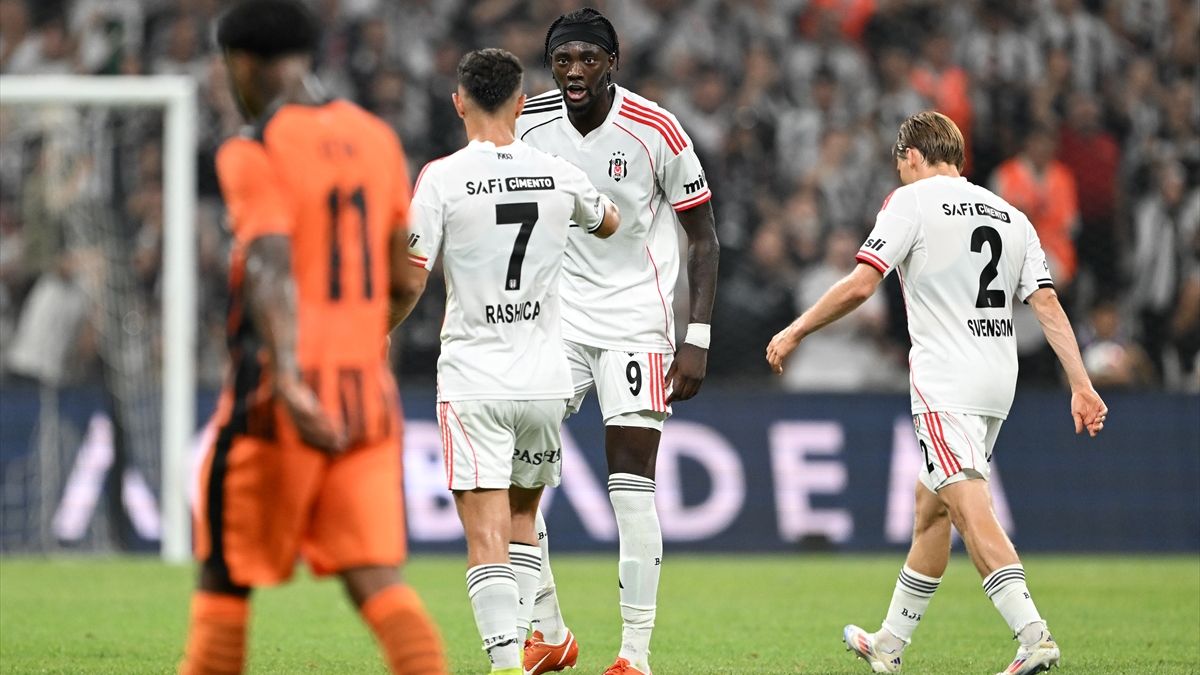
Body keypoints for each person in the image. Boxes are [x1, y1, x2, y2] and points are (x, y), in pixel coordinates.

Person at [766, 111, 1107, 675]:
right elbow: (1046, 302)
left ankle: (1034, 636)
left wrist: (796, 329)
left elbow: (862, 284)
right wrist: (1081, 383)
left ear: (912, 156)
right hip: (996, 380)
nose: (900, 174)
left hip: (944, 380)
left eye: (900, 164)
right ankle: (890, 642)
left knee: (970, 508)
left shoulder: (910, 202)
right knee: (932, 513)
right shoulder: (1011, 215)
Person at [180, 2, 446, 673]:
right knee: (376, 579)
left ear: (242, 63)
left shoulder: (253, 149)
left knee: (224, 575)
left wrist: (293, 379)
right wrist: (360, 345)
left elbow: (269, 262)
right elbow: (406, 277)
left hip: (279, 396)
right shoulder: (376, 138)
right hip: (367, 400)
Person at [391, 47, 619, 675]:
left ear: (458, 102)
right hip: (545, 378)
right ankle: (524, 648)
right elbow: (610, 221)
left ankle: (504, 662)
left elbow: (411, 277)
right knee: (522, 521)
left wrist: (377, 331)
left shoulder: (442, 178)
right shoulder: (556, 172)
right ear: (522, 104)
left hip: (475, 378)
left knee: (486, 534)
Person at [515, 8, 721, 675]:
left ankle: (634, 654)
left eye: (587, 58)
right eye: (563, 59)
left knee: (630, 485)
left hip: (637, 319)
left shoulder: (656, 129)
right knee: (517, 472)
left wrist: (697, 336)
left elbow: (703, 237)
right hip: (558, 319)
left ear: (612, 62)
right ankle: (549, 630)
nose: (574, 71)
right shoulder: (527, 123)